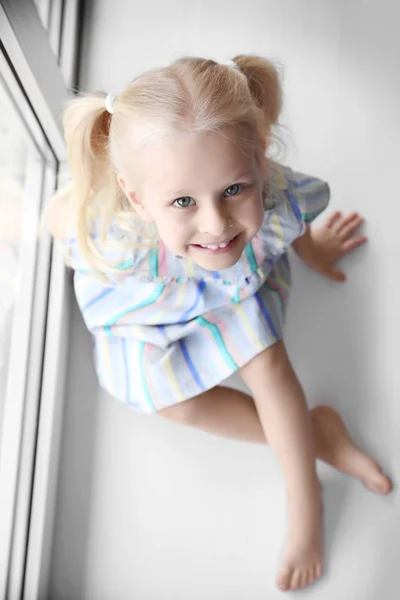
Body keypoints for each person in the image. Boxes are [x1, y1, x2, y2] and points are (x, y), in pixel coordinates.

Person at [44, 55, 393, 592]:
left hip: (235, 290)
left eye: (235, 190)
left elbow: (295, 215)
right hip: (153, 313)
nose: (216, 225)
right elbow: (58, 223)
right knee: (172, 402)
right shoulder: (116, 232)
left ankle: (307, 506)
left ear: (258, 162)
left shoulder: (273, 195)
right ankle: (315, 434)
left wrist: (313, 252)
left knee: (269, 362)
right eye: (182, 201)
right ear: (138, 198)